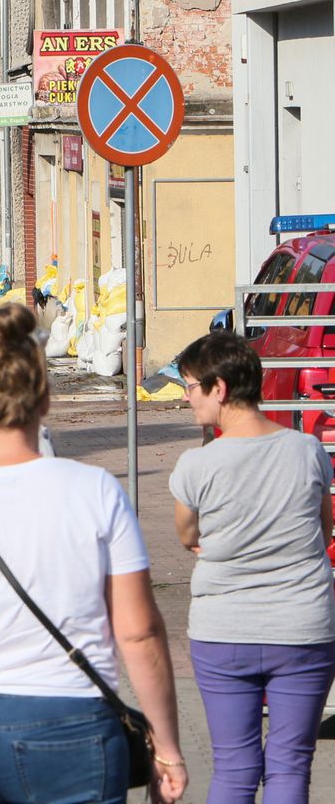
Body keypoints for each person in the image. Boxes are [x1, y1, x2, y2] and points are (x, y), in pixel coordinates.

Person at [0, 303, 187, 804]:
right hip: (71, 727)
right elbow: (138, 632)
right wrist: (168, 748)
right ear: (44, 400)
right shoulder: (97, 493)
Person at [170, 331, 335, 803]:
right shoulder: (307, 451)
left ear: (218, 389)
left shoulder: (196, 465)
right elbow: (323, 534)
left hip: (223, 632)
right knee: (289, 767)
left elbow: (187, 535)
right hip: (303, 629)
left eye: (190, 386)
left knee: (234, 769)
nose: (187, 398)